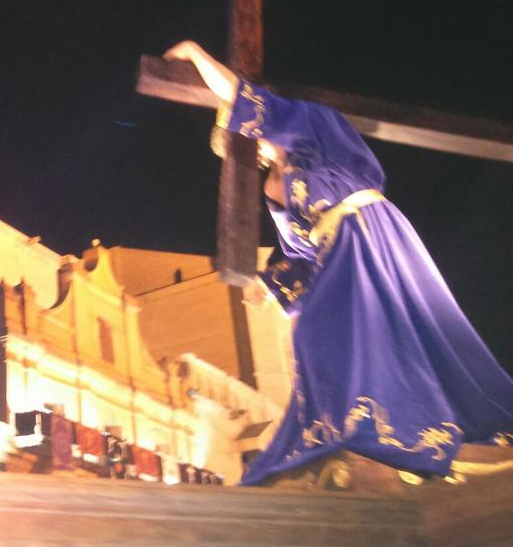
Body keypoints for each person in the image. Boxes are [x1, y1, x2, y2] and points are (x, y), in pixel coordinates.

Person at [164, 41, 513, 485]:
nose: (254, 147)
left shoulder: (311, 129)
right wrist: (268, 288)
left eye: (248, 137)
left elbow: (236, 91)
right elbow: (301, 254)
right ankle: (361, 431)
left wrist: (196, 54)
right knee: (311, 337)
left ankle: (385, 430)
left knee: (351, 332)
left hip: (368, 232)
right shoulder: (274, 184)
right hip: (335, 254)